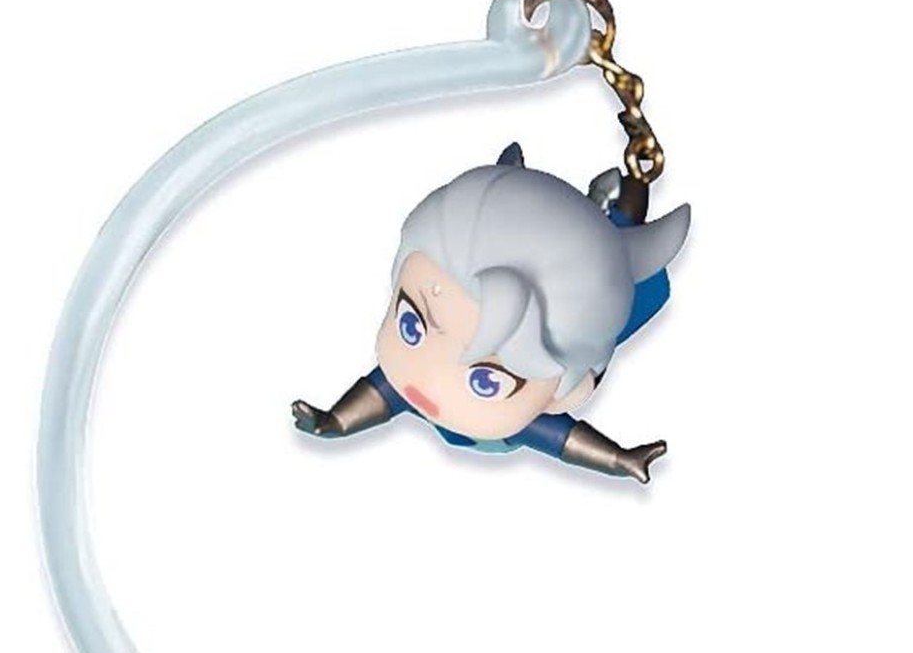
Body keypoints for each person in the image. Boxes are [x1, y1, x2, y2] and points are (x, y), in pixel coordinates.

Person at [292, 144, 690, 484]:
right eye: (410, 325)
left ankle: (629, 198)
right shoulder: (411, 379)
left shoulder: (532, 411)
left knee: (629, 281)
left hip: (596, 298)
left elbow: (569, 442)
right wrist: (333, 422)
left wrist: (620, 460)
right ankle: (626, 196)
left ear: (568, 393)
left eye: (486, 381)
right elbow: (378, 396)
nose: (430, 379)